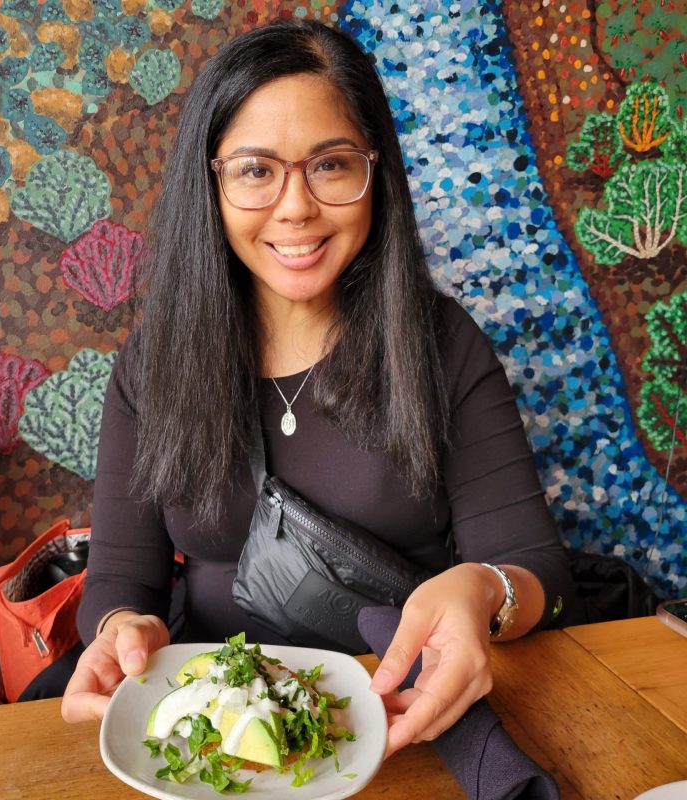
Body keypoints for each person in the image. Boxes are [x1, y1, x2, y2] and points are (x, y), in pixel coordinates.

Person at [58, 19, 574, 757]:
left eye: (330, 165)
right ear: (211, 181)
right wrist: (121, 631)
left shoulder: (441, 343)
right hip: (208, 731)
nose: (296, 207)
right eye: (256, 170)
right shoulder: (155, 361)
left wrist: (486, 591)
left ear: (375, 173)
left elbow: (543, 575)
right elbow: (118, 579)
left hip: (399, 719)